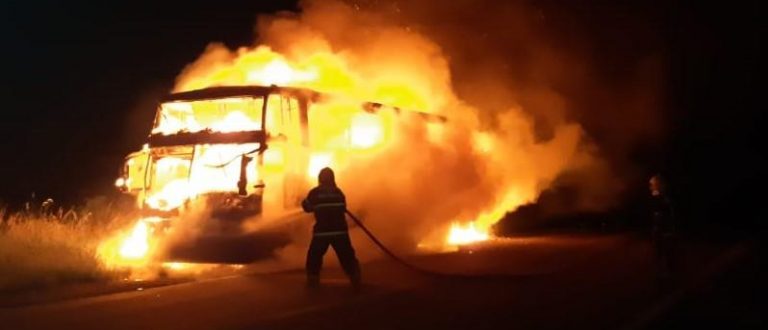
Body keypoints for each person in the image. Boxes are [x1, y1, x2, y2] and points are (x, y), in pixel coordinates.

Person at [302, 167, 361, 290]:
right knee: (346, 255)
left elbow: (307, 207)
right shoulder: (338, 192)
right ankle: (355, 277)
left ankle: (313, 279)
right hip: (340, 231)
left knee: (315, 255)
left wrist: (304, 203)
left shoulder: (315, 192)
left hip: (322, 231)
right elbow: (343, 207)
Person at [648, 174, 676, 282]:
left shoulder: (664, 198)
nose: (650, 186)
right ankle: (660, 273)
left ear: (658, 185)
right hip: (658, 230)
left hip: (665, 231)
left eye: (652, 184)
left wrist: (669, 231)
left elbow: (668, 214)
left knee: (667, 253)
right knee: (658, 253)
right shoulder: (656, 197)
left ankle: (670, 274)